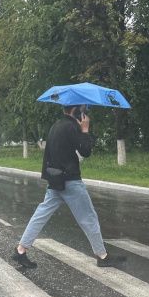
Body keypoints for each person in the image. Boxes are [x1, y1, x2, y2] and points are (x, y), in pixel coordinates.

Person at [11, 104, 125, 268]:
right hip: (70, 180)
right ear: (76, 110)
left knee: (40, 215)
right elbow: (86, 151)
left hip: (55, 180)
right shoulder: (72, 127)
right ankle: (102, 256)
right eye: (82, 109)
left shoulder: (56, 126)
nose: (84, 112)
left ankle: (21, 249)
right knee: (88, 218)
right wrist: (85, 130)